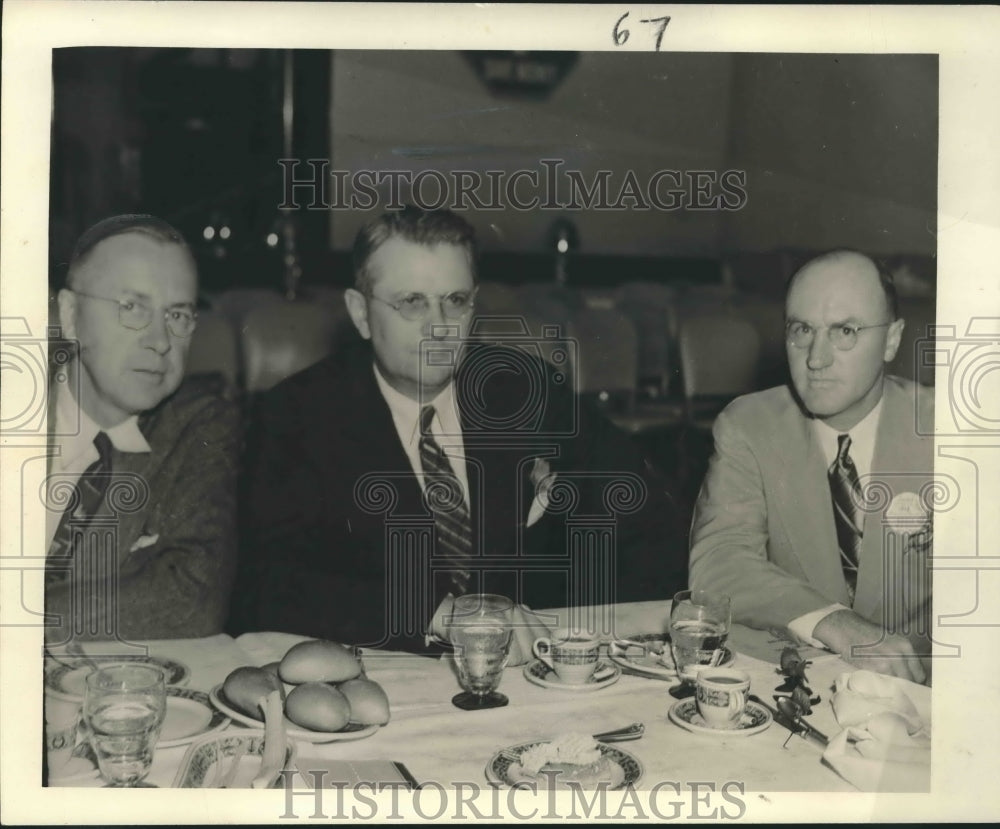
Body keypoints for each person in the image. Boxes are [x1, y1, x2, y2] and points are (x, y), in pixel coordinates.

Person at [232, 206, 686, 653]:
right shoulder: (296, 416)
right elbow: (268, 589)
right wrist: (437, 614)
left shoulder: (526, 390)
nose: (440, 327)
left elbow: (650, 520)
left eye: (456, 300)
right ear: (361, 314)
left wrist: (577, 639)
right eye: (412, 302)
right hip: (382, 681)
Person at [689, 249, 933, 684]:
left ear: (892, 340)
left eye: (845, 331)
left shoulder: (948, 431)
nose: (816, 359)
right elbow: (719, 563)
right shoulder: (749, 425)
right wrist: (835, 622)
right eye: (802, 330)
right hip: (797, 686)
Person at [45, 214, 239, 643]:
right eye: (131, 307)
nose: (161, 340)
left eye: (178, 315)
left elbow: (192, 597)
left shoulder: (198, 427)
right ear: (71, 316)